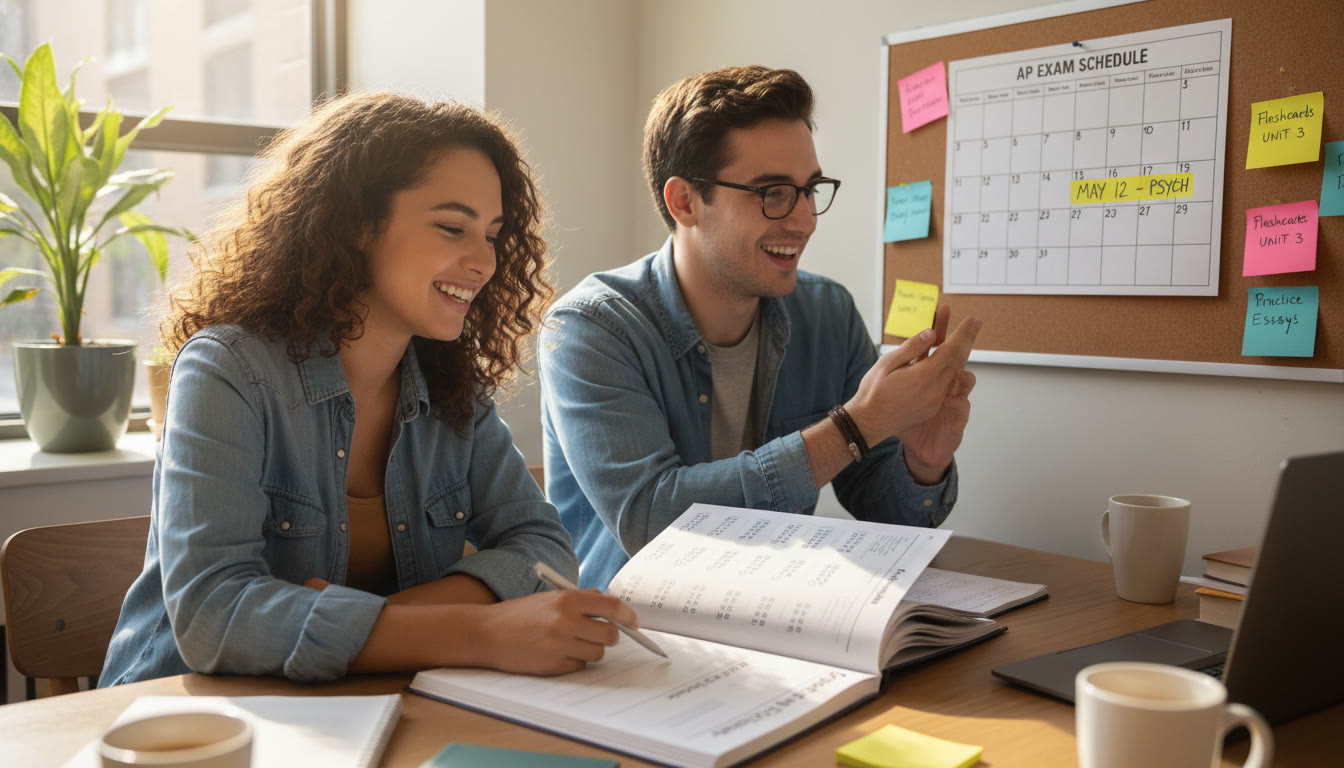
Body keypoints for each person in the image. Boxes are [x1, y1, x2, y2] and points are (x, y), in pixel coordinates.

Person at [101, 92, 637, 686]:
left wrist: (380, 624)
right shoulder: (228, 370)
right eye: (452, 227)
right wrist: (480, 632)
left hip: (361, 707)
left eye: (491, 234)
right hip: (183, 721)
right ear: (356, 224)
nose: (483, 261)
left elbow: (542, 547)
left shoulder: (453, 387)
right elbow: (212, 616)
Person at [539, 66, 982, 590]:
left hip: (781, 620)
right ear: (684, 201)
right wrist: (852, 429)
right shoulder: (590, 328)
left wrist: (922, 463)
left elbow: (892, 516)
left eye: (810, 189)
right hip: (628, 638)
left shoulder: (827, 314)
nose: (805, 220)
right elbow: (651, 519)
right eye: (773, 192)